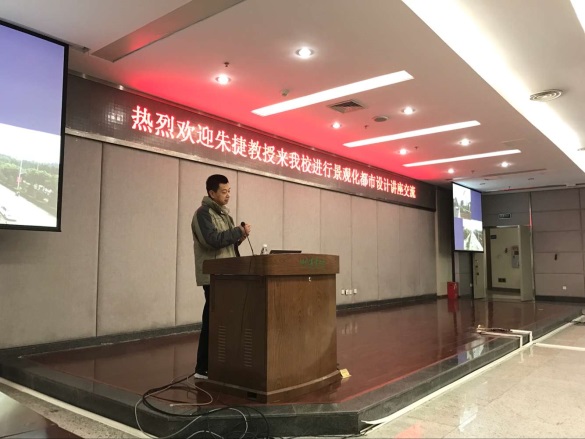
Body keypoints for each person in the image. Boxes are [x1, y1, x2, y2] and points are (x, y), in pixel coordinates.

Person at [191, 174, 251, 379]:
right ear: (211, 193)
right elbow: (211, 240)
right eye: (224, 191)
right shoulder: (203, 213)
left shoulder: (225, 215)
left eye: (229, 191)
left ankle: (222, 363)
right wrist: (236, 232)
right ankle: (202, 368)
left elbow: (227, 244)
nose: (228, 195)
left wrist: (240, 237)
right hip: (214, 275)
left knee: (225, 321)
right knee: (212, 320)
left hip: (228, 274)